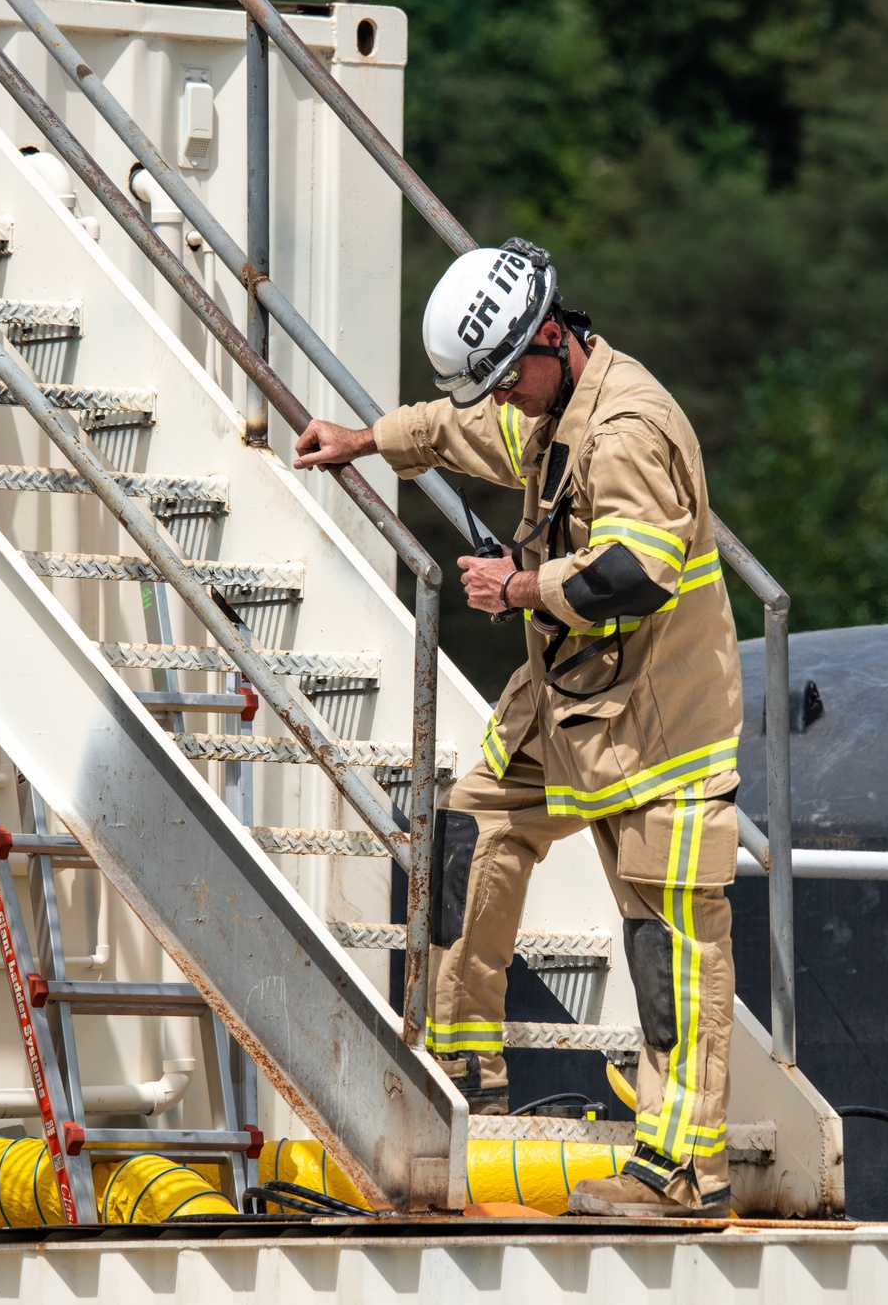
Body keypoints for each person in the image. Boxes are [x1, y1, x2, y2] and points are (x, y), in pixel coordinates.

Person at [294, 238, 743, 1218]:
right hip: (571, 704)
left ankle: (681, 1169)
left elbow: (637, 573)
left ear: (549, 338)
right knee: (471, 827)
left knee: (667, 945)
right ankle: (464, 1073)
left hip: (657, 730)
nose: (508, 400)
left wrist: (518, 586)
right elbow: (468, 433)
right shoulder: (550, 407)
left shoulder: (626, 427)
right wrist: (365, 437)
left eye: (511, 380)